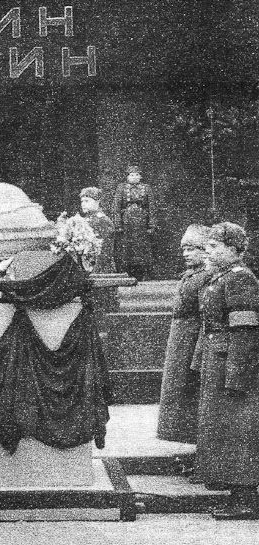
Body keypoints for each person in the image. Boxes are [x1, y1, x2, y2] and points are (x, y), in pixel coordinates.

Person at [197, 222, 259, 520]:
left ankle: (246, 499)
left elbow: (245, 330)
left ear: (233, 250)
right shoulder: (220, 277)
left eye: (213, 247)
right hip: (217, 362)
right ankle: (238, 496)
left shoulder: (240, 278)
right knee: (225, 431)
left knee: (239, 432)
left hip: (231, 367)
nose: (206, 251)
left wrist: (236, 375)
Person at [157, 224, 212, 448]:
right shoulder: (191, 275)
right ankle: (177, 433)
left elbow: (206, 316)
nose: (186, 254)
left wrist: (198, 351)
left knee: (188, 387)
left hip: (191, 340)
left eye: (192, 249)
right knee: (176, 387)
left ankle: (190, 436)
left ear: (204, 250)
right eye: (184, 250)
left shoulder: (206, 277)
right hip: (180, 340)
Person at [112, 165, 158, 280]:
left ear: (140, 176)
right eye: (131, 175)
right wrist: (118, 225)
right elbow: (116, 207)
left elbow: (152, 207)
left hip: (142, 223)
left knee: (142, 248)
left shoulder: (146, 188)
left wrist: (152, 225)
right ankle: (125, 273)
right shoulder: (121, 188)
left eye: (137, 175)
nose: (134, 177)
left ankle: (145, 274)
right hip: (127, 223)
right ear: (127, 177)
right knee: (126, 249)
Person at [79, 187, 115, 272]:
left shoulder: (103, 220)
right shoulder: (87, 219)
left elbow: (104, 250)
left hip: (99, 267)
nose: (83, 204)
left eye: (87, 201)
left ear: (97, 202)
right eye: (82, 201)